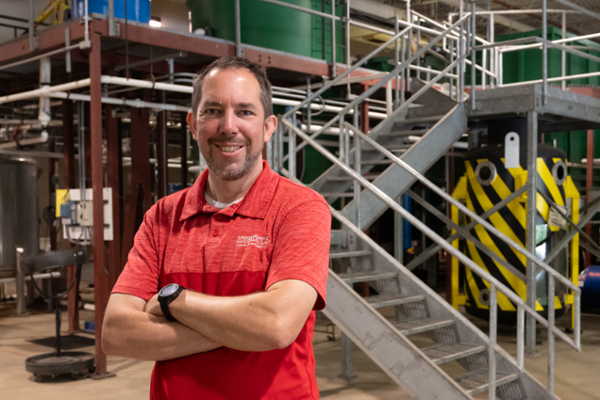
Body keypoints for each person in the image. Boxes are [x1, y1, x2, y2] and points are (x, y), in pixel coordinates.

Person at [102, 57, 331, 400]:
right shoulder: (162, 217)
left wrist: (173, 302)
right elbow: (116, 333)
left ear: (268, 127)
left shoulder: (299, 208)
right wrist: (243, 328)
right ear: (193, 124)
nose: (228, 126)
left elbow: (277, 325)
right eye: (212, 111)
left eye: (245, 111)